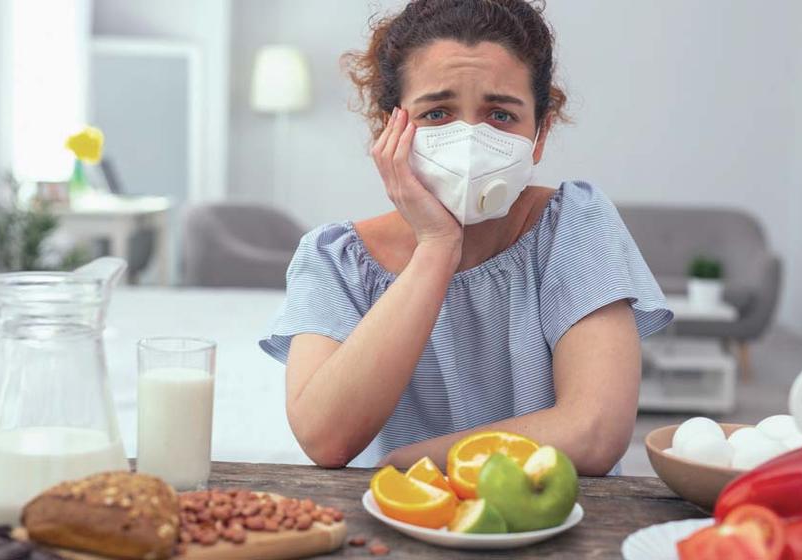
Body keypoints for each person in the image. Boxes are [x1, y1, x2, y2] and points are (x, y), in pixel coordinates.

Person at [260, 0, 672, 475]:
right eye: (437, 114)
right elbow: (324, 437)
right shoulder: (335, 260)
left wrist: (414, 462)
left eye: (500, 115)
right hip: (403, 527)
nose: (470, 142)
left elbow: (595, 432)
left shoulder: (573, 225)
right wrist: (436, 248)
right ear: (387, 128)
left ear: (539, 133)